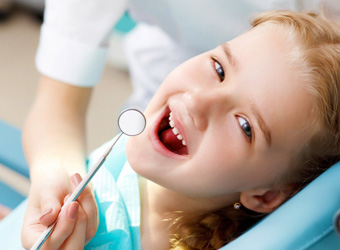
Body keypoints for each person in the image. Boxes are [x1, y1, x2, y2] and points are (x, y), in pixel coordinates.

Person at [13, 10, 340, 249]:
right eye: (219, 68)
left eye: (245, 126)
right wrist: (45, 185)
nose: (198, 101)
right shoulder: (124, 162)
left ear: (265, 194)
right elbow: (56, 105)